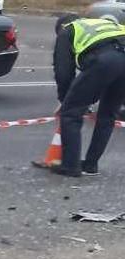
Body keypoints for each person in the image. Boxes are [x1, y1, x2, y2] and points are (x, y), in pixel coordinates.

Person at [52, 14, 125, 177]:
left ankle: (70, 166)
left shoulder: (67, 31)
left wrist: (65, 100)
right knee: (108, 115)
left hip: (105, 60)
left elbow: (63, 73)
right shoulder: (101, 24)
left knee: (71, 113)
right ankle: (90, 165)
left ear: (60, 28)